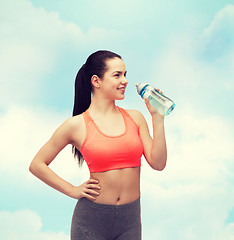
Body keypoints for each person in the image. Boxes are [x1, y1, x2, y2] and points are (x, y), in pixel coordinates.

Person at [29, 50, 167, 240]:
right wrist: (72, 190)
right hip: (90, 222)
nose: (125, 81)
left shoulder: (135, 117)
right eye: (117, 75)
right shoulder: (76, 125)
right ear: (96, 80)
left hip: (130, 221)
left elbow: (158, 163)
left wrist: (157, 117)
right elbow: (37, 164)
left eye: (125, 74)